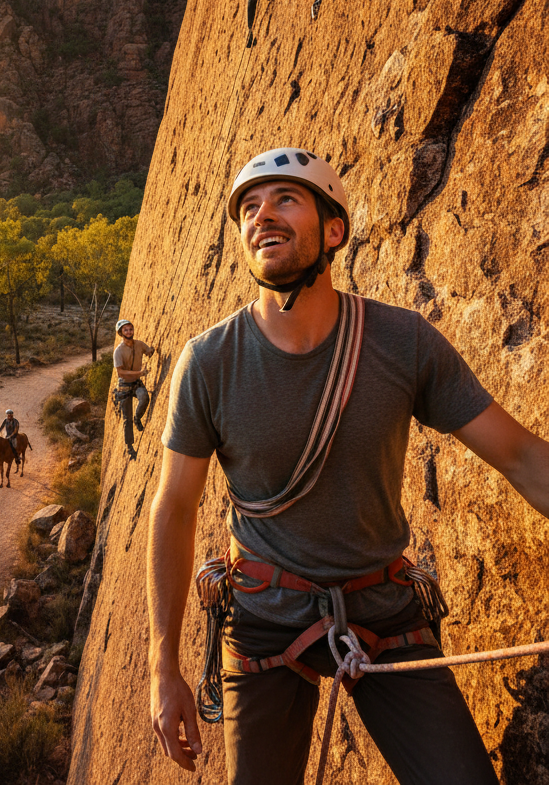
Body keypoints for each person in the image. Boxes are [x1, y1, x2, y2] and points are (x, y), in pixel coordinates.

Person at [147, 147, 549, 783]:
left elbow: (521, 454)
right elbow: (174, 508)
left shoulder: (402, 341)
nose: (261, 217)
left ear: (333, 230)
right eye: (249, 208)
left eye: (284, 199)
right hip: (263, 617)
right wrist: (162, 666)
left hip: (383, 605)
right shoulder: (209, 363)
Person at [113, 317, 155, 444]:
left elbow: (148, 351)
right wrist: (140, 373)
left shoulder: (139, 344)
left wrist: (151, 350)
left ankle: (138, 418)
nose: (129, 332)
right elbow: (120, 372)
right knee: (127, 419)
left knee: (144, 398)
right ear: (121, 333)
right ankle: (129, 445)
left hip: (136, 383)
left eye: (131, 329)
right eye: (125, 330)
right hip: (124, 385)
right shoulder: (118, 351)